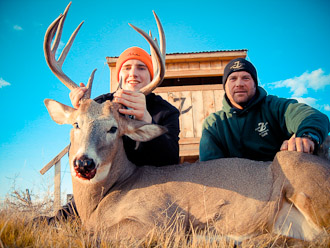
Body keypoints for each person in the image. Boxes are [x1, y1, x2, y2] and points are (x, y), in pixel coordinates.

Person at [39, 47, 180, 223]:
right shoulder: (97, 105)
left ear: (151, 77)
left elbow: (171, 161)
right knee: (54, 224)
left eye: (142, 67)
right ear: (118, 75)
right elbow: (80, 150)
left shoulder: (166, 111)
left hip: (148, 193)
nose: (133, 73)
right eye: (127, 68)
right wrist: (80, 113)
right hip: (103, 191)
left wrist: (146, 119)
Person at [199, 58, 330, 162]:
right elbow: (210, 166)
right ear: (225, 86)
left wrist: (307, 136)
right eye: (233, 78)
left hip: (279, 181)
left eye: (246, 78)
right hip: (236, 187)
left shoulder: (274, 106)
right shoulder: (214, 124)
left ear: (255, 84)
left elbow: (312, 116)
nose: (239, 83)